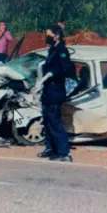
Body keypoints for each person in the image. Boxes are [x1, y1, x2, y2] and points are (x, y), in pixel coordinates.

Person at [37, 25, 72, 163]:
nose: (47, 37)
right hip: (48, 90)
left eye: (49, 34)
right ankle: (51, 148)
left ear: (56, 36)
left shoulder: (62, 50)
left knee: (54, 121)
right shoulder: (52, 50)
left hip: (55, 90)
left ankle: (64, 153)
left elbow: (64, 68)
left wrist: (49, 75)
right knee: (47, 121)